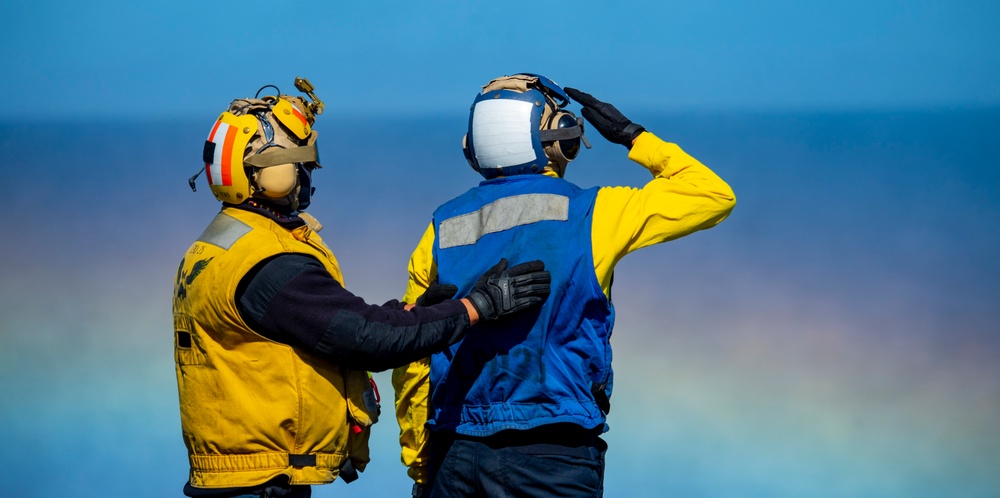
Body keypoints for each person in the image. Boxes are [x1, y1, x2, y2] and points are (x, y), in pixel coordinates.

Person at [172, 77, 551, 498]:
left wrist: (416, 311)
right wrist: (478, 306)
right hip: (262, 486)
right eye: (303, 165)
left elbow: (331, 319)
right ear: (273, 173)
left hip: (239, 478)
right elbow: (369, 339)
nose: (307, 177)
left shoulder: (220, 246)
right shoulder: (270, 262)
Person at [392, 73, 736, 497]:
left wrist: (422, 462)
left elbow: (413, 356)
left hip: (456, 453)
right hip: (554, 455)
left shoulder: (442, 228)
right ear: (560, 142)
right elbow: (712, 195)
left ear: (473, 148)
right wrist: (633, 137)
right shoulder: (595, 213)